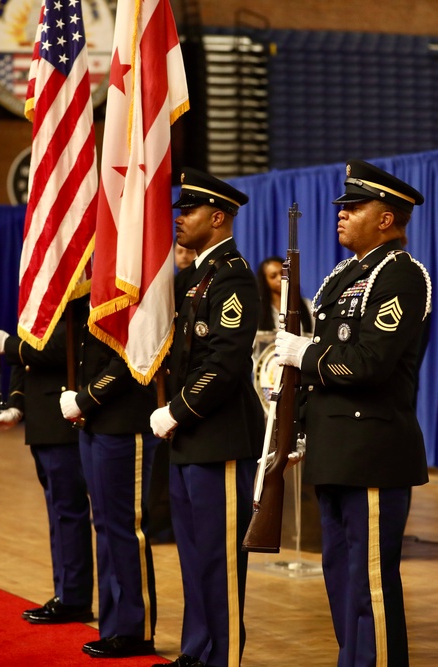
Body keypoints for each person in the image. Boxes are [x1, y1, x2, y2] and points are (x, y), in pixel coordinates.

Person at [274, 160, 431, 667]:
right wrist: (296, 429)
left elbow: (369, 364)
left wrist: (305, 355)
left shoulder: (402, 275)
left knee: (369, 581)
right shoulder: (346, 275)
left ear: (386, 219)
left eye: (353, 207)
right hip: (333, 446)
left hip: (372, 450)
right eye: (342, 207)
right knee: (340, 576)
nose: (340, 215)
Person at [149, 168, 264, 667]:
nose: (179, 220)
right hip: (188, 438)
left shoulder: (233, 274)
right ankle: (197, 651)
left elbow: (223, 362)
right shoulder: (194, 275)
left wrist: (178, 409)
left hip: (217, 437)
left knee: (219, 560)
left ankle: (224, 657)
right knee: (194, 556)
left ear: (217, 218)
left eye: (188, 212)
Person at [0, 305, 95, 625]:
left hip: (63, 413)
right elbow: (27, 349)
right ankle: (67, 592)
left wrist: (9, 345)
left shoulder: (75, 295)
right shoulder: (42, 292)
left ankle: (73, 596)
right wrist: (17, 404)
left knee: (68, 510)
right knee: (59, 511)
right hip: (42, 418)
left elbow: (63, 349)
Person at [61, 297, 160, 659]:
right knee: (104, 525)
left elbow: (132, 356)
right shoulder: (95, 286)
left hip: (123, 421)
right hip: (96, 423)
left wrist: (86, 398)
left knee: (125, 528)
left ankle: (135, 629)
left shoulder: (130, 279)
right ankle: (115, 624)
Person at [255, 255, 312, 333]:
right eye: (273, 276)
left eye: (283, 273)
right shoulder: (256, 309)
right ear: (265, 281)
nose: (280, 278)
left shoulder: (307, 305)